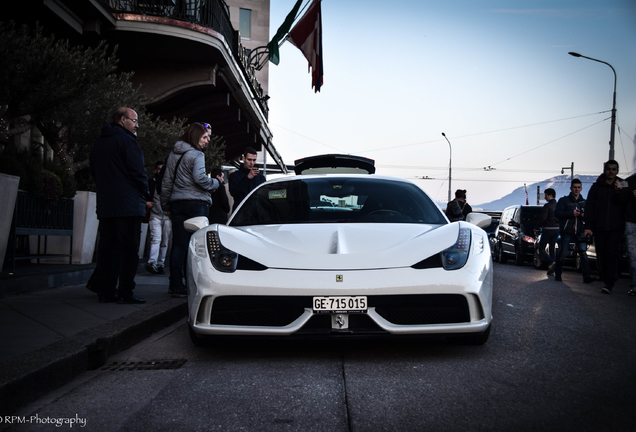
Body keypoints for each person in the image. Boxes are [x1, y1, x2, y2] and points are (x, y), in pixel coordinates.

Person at [89, 107, 152, 304]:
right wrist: (146, 192)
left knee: (107, 250)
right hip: (128, 204)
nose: (137, 125)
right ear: (123, 119)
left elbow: (94, 170)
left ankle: (105, 291)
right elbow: (138, 171)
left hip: (107, 205)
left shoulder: (99, 143)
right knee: (128, 251)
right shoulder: (127, 141)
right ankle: (125, 292)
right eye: (134, 120)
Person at [161, 123, 220, 298]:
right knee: (198, 247)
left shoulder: (173, 155)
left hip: (177, 204)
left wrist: (166, 205)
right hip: (197, 205)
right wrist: (215, 183)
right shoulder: (197, 154)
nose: (207, 141)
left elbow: (166, 181)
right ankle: (196, 285)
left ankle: (175, 285)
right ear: (195, 137)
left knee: (179, 246)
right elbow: (200, 178)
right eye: (204, 137)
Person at [583, 160, 625, 294]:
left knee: (612, 253)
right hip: (599, 227)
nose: (611, 172)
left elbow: (626, 204)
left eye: (614, 169)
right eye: (609, 169)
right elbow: (589, 207)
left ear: (617, 171)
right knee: (601, 254)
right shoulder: (596, 187)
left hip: (616, 227)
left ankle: (609, 282)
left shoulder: (623, 184)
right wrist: (588, 226)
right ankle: (606, 277)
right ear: (604, 170)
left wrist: (619, 192)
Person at [553, 179, 593, 283]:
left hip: (580, 230)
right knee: (563, 253)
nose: (577, 189)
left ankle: (587, 276)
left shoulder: (584, 202)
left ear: (581, 188)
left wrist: (584, 215)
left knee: (583, 253)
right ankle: (558, 274)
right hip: (567, 230)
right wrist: (572, 213)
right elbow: (557, 214)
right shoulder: (564, 200)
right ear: (571, 188)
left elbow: (590, 217)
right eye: (575, 187)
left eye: (578, 187)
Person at [146, 160, 171, 275]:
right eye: (159, 169)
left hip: (166, 216)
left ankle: (160, 264)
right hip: (155, 215)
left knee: (164, 241)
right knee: (156, 239)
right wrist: (147, 202)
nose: (160, 172)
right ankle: (153, 262)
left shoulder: (170, 183)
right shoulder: (151, 183)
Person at [228, 147, 265, 213]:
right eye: (249, 160)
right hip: (240, 214)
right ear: (243, 159)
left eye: (254, 160)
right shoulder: (234, 176)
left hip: (256, 214)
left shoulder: (260, 178)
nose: (252, 163)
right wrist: (247, 178)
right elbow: (234, 192)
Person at [535, 188, 559, 275]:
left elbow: (543, 218)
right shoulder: (558, 205)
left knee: (541, 247)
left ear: (550, 195)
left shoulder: (547, 206)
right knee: (552, 248)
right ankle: (552, 267)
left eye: (546, 195)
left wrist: (537, 227)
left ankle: (550, 262)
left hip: (548, 229)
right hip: (557, 229)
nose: (545, 197)